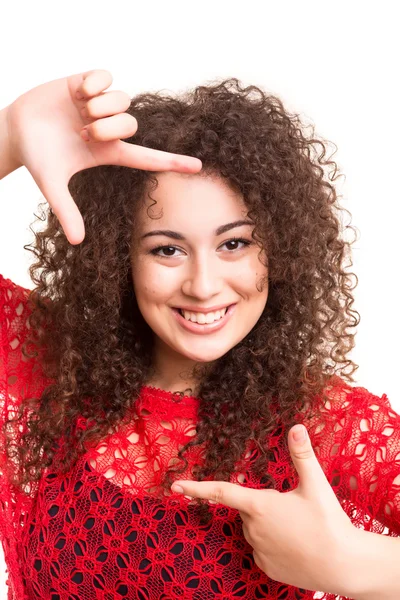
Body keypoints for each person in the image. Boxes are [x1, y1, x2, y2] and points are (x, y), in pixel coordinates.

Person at [0, 69, 399, 600]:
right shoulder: (52, 364)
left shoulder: (327, 426)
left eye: (234, 244)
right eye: (167, 249)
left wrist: (354, 565)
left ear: (280, 248)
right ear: (118, 257)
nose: (204, 286)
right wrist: (8, 136)